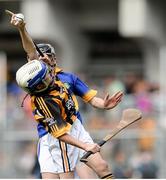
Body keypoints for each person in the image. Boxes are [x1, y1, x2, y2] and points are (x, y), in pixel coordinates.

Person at [9, 11, 123, 179]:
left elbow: (92, 99)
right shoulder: (40, 90)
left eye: (48, 55)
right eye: (40, 57)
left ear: (54, 58)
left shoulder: (67, 78)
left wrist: (104, 105)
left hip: (74, 128)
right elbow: (31, 51)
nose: (44, 58)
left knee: (102, 166)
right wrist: (22, 28)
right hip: (53, 136)